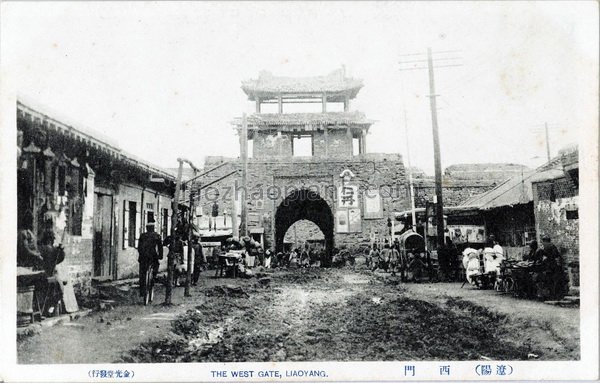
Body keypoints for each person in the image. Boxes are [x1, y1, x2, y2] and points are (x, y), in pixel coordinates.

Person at [138, 222, 163, 297]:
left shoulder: (142, 236)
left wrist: (141, 254)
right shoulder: (157, 236)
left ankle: (142, 291)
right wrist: (160, 256)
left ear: (146, 228)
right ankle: (153, 278)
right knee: (156, 265)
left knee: (142, 273)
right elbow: (160, 248)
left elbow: (139, 247)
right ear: (153, 228)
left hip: (143, 257)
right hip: (153, 256)